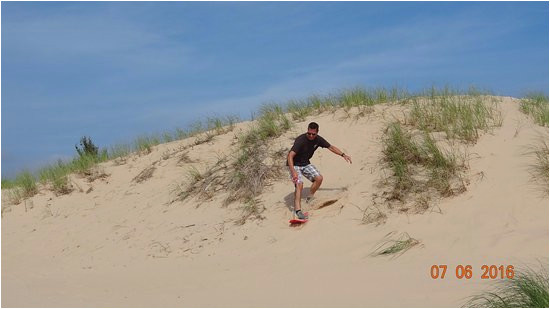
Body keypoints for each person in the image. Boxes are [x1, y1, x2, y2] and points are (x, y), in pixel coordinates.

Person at [287, 122, 352, 219]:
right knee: (299, 185)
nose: (311, 136)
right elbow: (290, 156)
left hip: (305, 163)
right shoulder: (301, 140)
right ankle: (298, 211)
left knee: (319, 178)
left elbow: (331, 147)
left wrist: (343, 155)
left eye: (313, 134)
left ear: (317, 133)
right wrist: (293, 172)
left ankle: (309, 198)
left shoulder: (318, 140)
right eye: (309, 133)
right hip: (294, 164)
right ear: (307, 131)